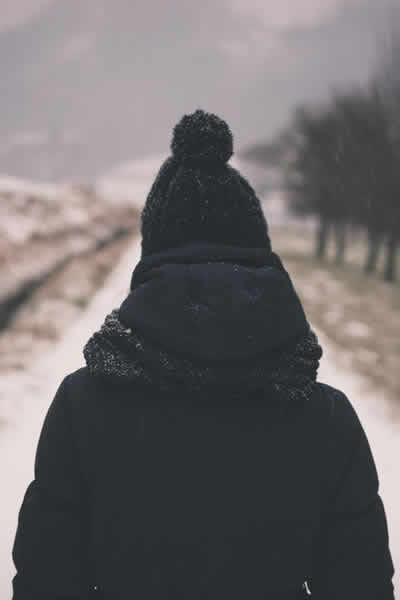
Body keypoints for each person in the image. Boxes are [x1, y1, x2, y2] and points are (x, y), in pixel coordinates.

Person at [11, 109, 394, 599]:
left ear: (151, 255)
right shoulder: (327, 418)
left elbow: (46, 583)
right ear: (260, 252)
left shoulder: (81, 406)